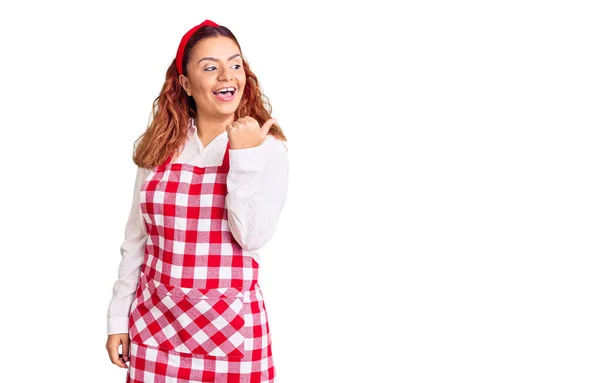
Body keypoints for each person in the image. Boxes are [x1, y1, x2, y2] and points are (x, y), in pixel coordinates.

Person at [105, 19, 288, 382]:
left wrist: (244, 157)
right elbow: (136, 241)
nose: (227, 76)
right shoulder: (159, 148)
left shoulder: (266, 148)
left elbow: (251, 236)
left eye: (235, 64)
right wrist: (116, 318)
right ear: (186, 83)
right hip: (156, 328)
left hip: (230, 332)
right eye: (211, 67)